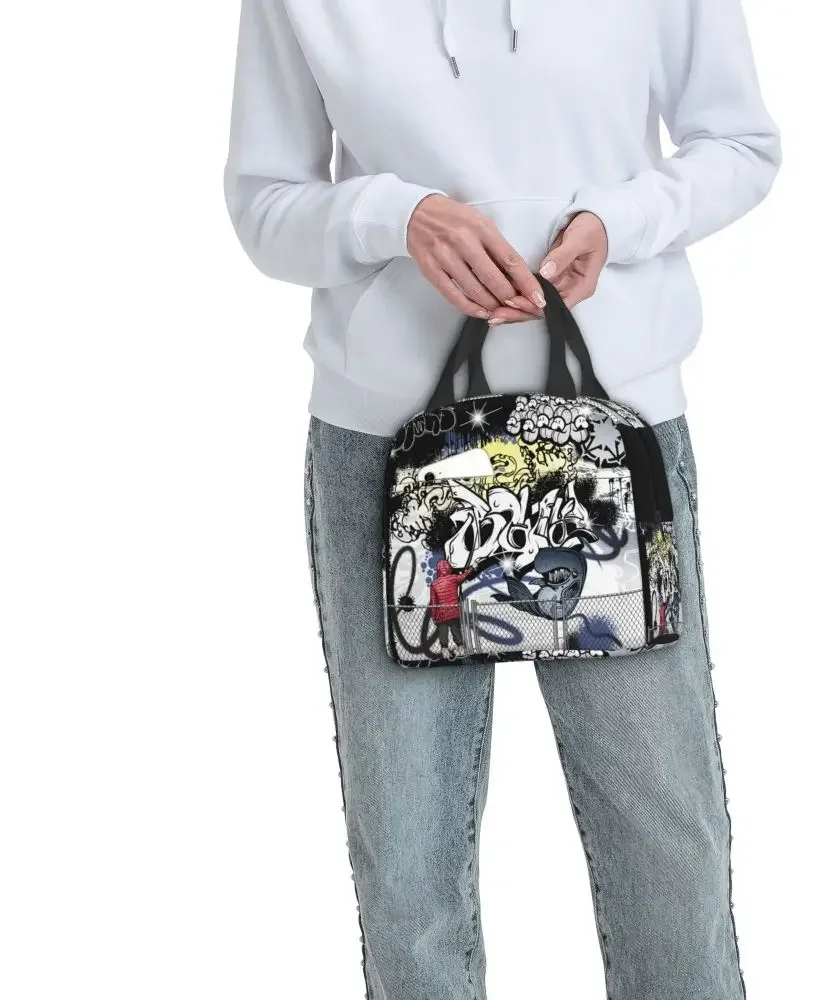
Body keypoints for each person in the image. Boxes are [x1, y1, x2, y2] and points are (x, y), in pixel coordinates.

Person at [224, 0, 780, 997]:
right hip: (388, 454)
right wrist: (393, 217)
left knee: (668, 847)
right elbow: (264, 204)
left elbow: (739, 144)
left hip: (611, 449)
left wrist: (619, 220)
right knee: (408, 867)